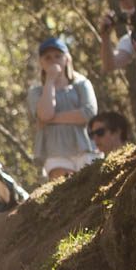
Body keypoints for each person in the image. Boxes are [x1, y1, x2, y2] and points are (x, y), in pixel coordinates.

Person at [29, 36, 97, 180]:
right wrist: (50, 80)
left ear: (67, 59)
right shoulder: (36, 92)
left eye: (58, 56)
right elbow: (45, 114)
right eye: (47, 57)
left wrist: (51, 120)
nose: (53, 60)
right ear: (41, 62)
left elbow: (88, 113)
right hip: (55, 154)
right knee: (66, 189)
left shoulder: (82, 84)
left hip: (85, 149)